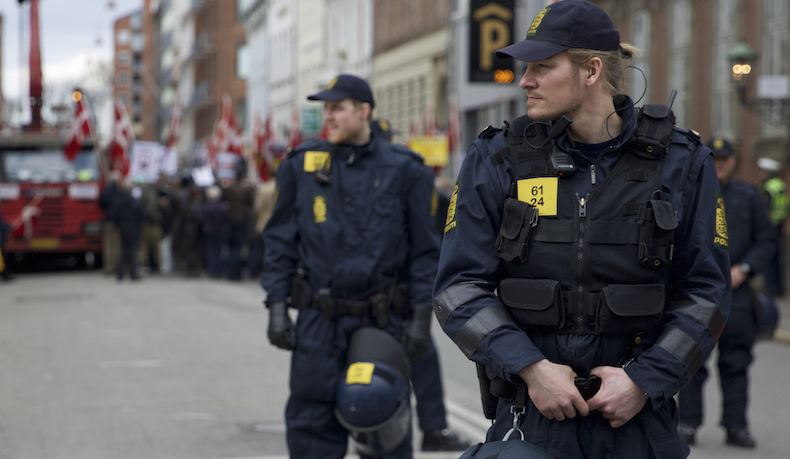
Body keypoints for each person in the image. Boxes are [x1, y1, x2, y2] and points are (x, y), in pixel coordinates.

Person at [432, 1, 731, 458]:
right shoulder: (498, 158)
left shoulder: (682, 162)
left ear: (591, 71)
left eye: (541, 67)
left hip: (637, 424)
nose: (525, 80)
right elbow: (456, 288)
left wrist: (643, 380)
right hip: (531, 418)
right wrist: (531, 368)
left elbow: (707, 294)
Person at [261, 74, 440, 458]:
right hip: (317, 326)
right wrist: (277, 307)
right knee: (311, 432)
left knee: (383, 427)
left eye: (337, 108)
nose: (329, 117)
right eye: (326, 109)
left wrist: (422, 315)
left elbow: (425, 252)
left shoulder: (406, 169)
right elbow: (279, 242)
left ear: (364, 111)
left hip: (380, 323)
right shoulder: (300, 166)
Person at [370, 117, 470, 452]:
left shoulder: (405, 177)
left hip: (403, 291)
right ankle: (400, 432)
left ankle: (431, 429)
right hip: (381, 292)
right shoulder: (368, 179)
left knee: (420, 359)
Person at [676, 137, 776, 448]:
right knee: (691, 362)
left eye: (725, 159)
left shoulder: (749, 197)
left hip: (738, 294)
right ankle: (688, 423)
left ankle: (736, 426)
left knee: (736, 363)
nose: (719, 163)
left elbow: (766, 241)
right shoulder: (690, 192)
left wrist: (744, 269)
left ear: (733, 161)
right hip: (698, 294)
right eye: (714, 158)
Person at [756, 156, 787, 298]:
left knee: (768, 260)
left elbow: (764, 209)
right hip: (779, 226)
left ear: (767, 173)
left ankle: (771, 289)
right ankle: (779, 289)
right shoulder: (780, 185)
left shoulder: (768, 188)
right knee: (778, 259)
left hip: (769, 228)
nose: (760, 175)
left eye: (762, 172)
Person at [109, 181, 146, 281]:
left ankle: (120, 274)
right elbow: (143, 215)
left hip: (123, 229)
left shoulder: (119, 202)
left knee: (122, 251)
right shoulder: (135, 202)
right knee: (133, 252)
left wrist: (119, 225)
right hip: (134, 229)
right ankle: (133, 274)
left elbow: (113, 216)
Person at [99, 172, 124, 274]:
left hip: (108, 221)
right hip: (118, 222)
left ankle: (109, 267)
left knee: (108, 245)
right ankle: (117, 267)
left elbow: (100, 205)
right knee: (117, 245)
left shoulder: (105, 192)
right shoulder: (121, 193)